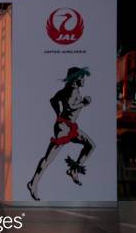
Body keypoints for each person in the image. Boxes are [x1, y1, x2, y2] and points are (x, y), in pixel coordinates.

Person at [27, 67, 95, 201]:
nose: (84, 80)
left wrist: (58, 114)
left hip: (69, 126)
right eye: (82, 77)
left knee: (90, 145)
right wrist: (84, 103)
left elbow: (53, 100)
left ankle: (73, 170)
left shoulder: (67, 89)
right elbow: (70, 106)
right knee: (49, 158)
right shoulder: (72, 90)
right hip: (64, 128)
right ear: (77, 79)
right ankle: (33, 183)